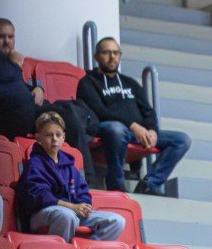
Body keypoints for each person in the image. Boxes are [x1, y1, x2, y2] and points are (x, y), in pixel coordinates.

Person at [78, 37, 191, 195]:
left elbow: (148, 111)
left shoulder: (130, 83)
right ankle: (117, 187)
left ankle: (149, 184)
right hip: (107, 130)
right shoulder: (87, 82)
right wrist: (132, 125)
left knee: (182, 139)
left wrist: (151, 129)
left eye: (116, 53)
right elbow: (99, 110)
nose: (112, 57)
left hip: (135, 133)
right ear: (96, 57)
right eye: (106, 52)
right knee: (117, 129)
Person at [0, 19, 96, 178]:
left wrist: (38, 88)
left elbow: (17, 86)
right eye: (1, 37)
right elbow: (4, 81)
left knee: (67, 114)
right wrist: (17, 64)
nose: (7, 42)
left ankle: (88, 176)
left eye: (10, 37)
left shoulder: (7, 62)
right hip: (4, 119)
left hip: (28, 113)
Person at [15, 112, 125, 242]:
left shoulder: (69, 164)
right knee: (67, 215)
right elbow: (39, 196)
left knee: (117, 221)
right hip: (41, 213)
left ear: (63, 137)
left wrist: (84, 206)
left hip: (72, 211)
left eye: (58, 135)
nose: (54, 139)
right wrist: (71, 206)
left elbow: (83, 192)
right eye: (49, 135)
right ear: (38, 138)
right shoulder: (35, 163)